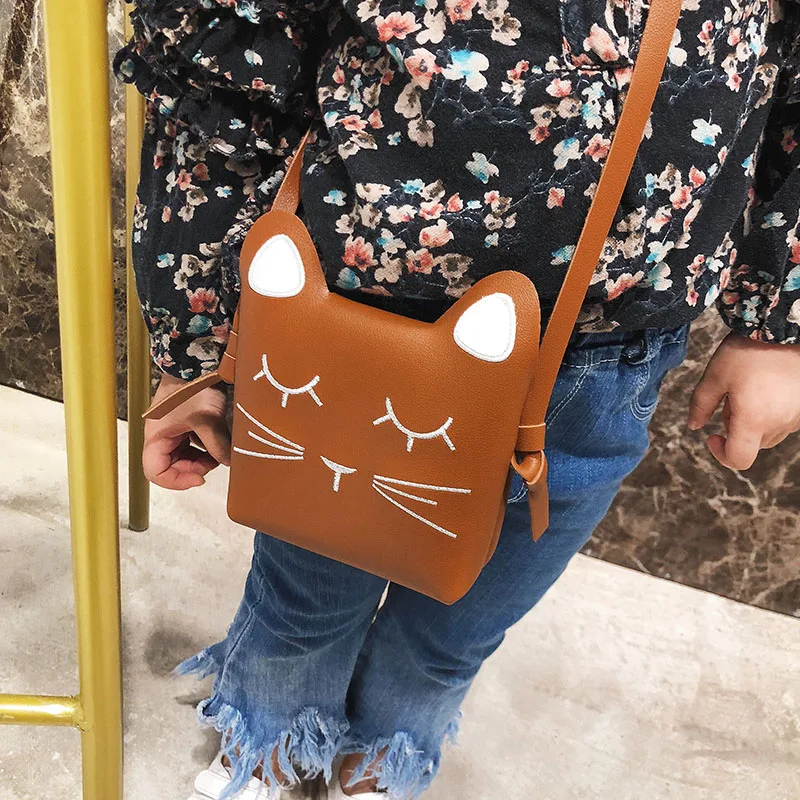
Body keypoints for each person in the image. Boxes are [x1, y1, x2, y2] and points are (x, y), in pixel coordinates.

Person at [115, 1, 800, 798]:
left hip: (611, 344)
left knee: (458, 629)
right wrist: (192, 347)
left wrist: (779, 326)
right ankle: (271, 735)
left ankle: (385, 754)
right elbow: (230, 71)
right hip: (358, 324)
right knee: (306, 604)